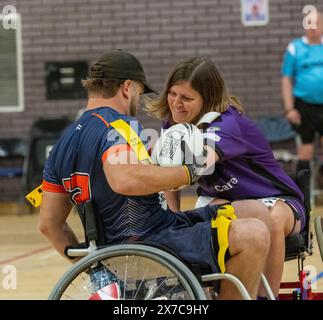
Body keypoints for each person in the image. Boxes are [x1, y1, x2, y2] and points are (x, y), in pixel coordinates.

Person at [38, 49, 269, 300]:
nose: (138, 99)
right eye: (139, 91)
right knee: (253, 235)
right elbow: (123, 179)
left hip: (133, 246)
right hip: (150, 245)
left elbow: (49, 225)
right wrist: (187, 173)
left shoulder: (63, 143)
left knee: (254, 211)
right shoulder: (117, 125)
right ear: (127, 88)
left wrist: (94, 263)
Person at [147, 56, 307, 297]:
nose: (176, 104)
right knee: (213, 217)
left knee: (269, 219)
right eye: (172, 94)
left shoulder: (228, 122)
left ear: (207, 99)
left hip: (278, 199)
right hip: (223, 199)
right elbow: (172, 180)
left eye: (186, 98)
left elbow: (198, 163)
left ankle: (266, 296)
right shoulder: (172, 123)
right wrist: (173, 218)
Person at [281, 10, 323, 175]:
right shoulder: (295, 48)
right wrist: (289, 108)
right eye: (309, 23)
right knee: (305, 151)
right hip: (304, 107)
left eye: (317, 23)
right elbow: (286, 79)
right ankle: (303, 196)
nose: (313, 27)